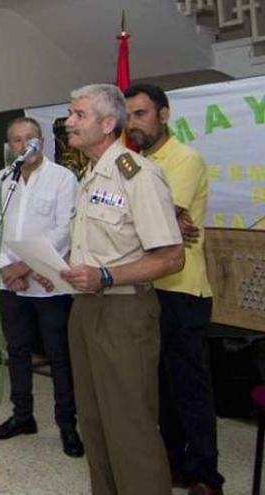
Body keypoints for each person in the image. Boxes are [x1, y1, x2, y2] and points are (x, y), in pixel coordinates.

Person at [36, 84, 185, 494]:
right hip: (85, 310)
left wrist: (105, 277)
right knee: (95, 422)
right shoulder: (88, 175)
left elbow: (172, 257)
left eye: (78, 114)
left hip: (124, 313)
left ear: (107, 123)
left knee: (130, 428)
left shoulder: (136, 175)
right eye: (70, 113)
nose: (68, 122)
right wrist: (62, 270)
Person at [125, 83, 224, 495]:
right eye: (128, 115)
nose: (133, 124)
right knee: (160, 387)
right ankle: (174, 464)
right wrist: (153, 221)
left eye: (141, 114)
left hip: (183, 289)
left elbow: (167, 220)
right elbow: (141, 221)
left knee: (190, 389)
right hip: (150, 287)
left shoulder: (185, 158)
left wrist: (156, 220)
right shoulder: (134, 163)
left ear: (164, 115)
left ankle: (206, 475)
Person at [0, 118, 83, 457]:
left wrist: (27, 264)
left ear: (41, 141)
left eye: (29, 138)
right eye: (15, 140)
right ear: (9, 145)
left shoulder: (62, 179)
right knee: (17, 352)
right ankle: (22, 415)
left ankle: (67, 425)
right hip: (10, 283)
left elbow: (64, 230)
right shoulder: (1, 180)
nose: (23, 144)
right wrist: (8, 267)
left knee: (59, 356)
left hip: (49, 284)